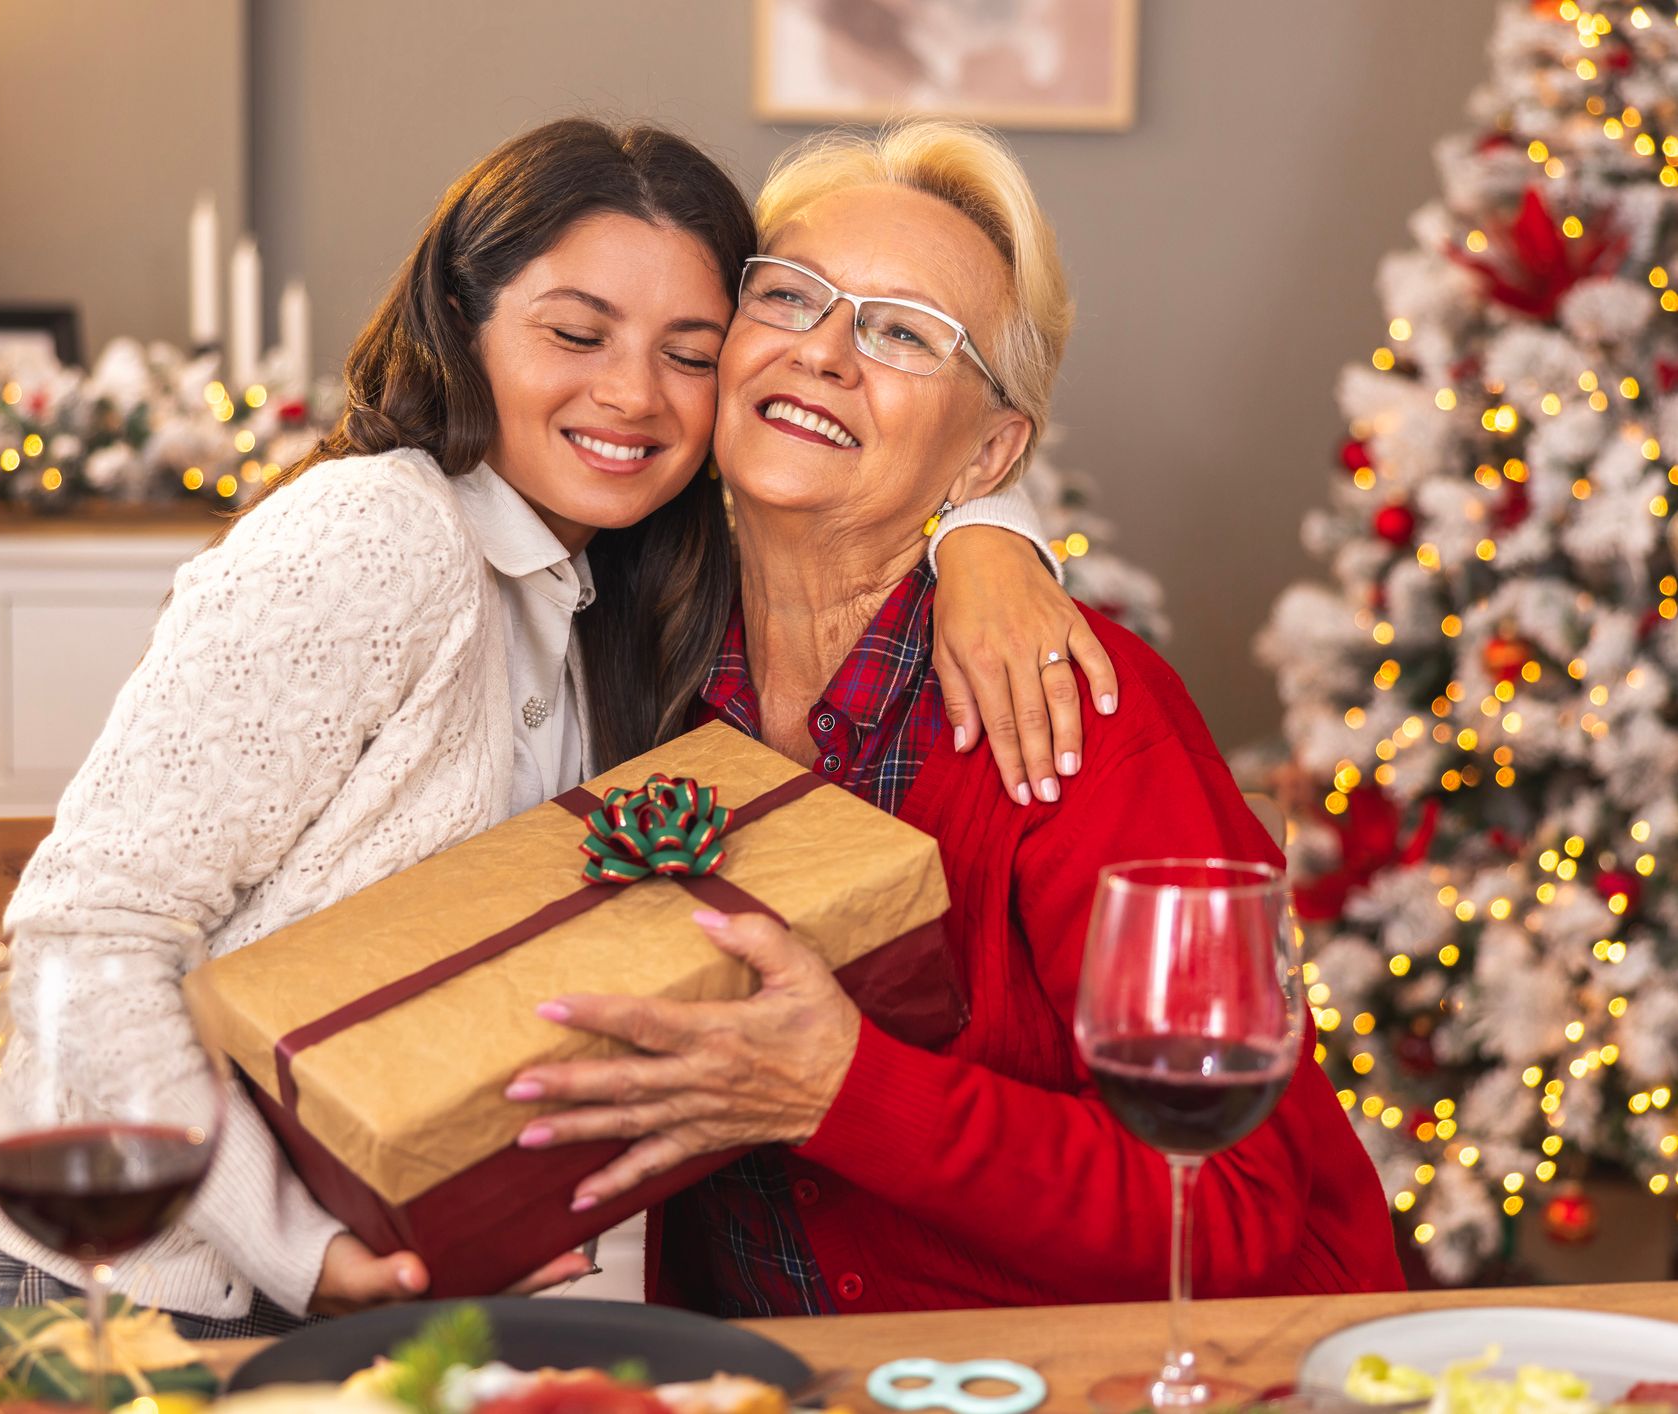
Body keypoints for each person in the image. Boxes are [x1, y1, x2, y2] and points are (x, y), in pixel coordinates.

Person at [0, 118, 1113, 1342]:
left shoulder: (624, 599)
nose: (630, 394)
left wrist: (983, 535)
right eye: (574, 334)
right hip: (98, 1306)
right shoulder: (378, 535)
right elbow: (90, 928)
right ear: (462, 323)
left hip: (358, 1326)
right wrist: (300, 1250)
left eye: (689, 354)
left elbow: (893, 432)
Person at [507, 118, 1406, 1314]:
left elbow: (1229, 1206)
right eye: (789, 298)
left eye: (901, 332)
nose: (824, 351)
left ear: (989, 454)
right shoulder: (617, 659)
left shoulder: (1075, 708)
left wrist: (845, 1088)